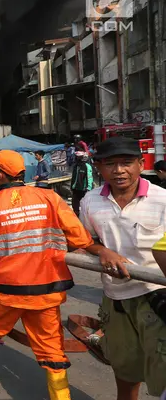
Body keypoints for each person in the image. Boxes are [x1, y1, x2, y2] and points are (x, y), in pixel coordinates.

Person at [0, 150, 94, 400]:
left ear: (0, 175)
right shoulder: (50, 198)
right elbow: (80, 239)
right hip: (46, 290)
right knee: (52, 350)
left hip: (6, 290)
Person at [79, 137, 166, 399]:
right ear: (99, 168)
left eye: (127, 163)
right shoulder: (90, 201)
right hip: (115, 300)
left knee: (162, 371)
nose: (119, 171)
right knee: (124, 368)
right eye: (110, 164)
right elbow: (85, 241)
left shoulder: (162, 199)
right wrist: (102, 251)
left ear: (141, 164)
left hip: (157, 298)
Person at [69, 151, 93, 216]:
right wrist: (72, 186)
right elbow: (74, 177)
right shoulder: (75, 166)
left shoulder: (87, 166)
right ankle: (76, 217)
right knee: (75, 205)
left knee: (84, 205)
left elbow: (89, 177)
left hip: (83, 189)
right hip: (75, 188)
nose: (75, 158)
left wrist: (89, 188)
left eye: (77, 157)